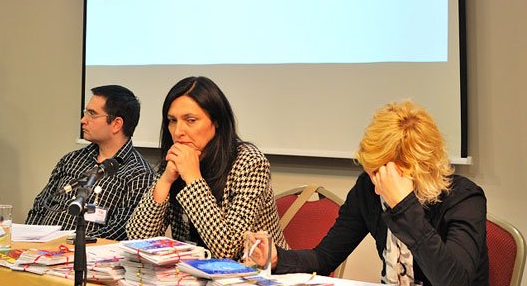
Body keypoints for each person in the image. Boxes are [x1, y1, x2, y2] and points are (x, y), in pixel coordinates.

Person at [246, 100, 488, 286]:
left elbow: (455, 281)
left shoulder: (464, 199)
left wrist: (404, 206)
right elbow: (325, 257)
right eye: (371, 173)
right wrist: (278, 259)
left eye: (381, 175)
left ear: (415, 170)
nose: (376, 187)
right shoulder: (367, 190)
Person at [126, 76, 288, 259]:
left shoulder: (250, 163)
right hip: (193, 270)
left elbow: (227, 250)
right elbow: (137, 238)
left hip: (255, 271)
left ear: (216, 121)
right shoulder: (176, 159)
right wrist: (165, 180)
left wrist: (193, 178)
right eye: (172, 120)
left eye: (191, 120)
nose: (178, 131)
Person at [25, 85, 156, 240]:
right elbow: (40, 207)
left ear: (116, 124)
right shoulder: (71, 159)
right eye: (85, 112)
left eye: (92, 114)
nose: (83, 120)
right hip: (39, 249)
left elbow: (120, 231)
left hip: (87, 252)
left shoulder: (139, 173)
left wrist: (70, 243)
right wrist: (28, 243)